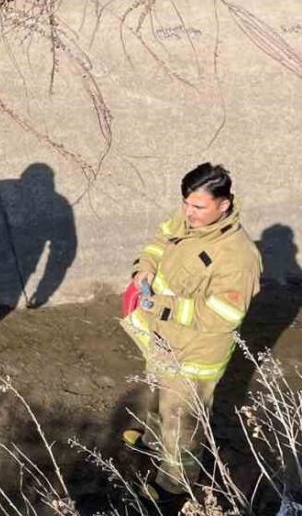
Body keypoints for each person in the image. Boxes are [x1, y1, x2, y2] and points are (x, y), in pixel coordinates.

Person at [120, 163, 262, 503]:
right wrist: (145, 269)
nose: (188, 212)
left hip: (194, 354)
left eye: (198, 206)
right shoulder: (191, 219)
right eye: (186, 203)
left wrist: (163, 306)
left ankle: (174, 486)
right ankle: (154, 439)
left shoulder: (239, 258)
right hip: (164, 337)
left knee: (182, 424)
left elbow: (222, 316)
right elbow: (159, 240)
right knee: (157, 397)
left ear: (224, 204)